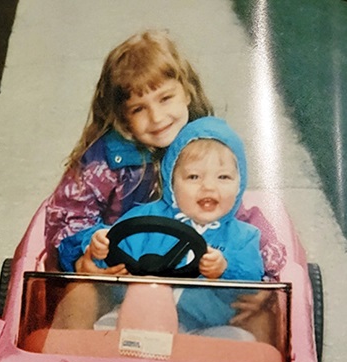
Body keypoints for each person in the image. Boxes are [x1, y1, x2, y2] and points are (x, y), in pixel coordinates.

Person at [45, 29, 286, 282]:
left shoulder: (203, 145)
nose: (157, 118)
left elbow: (232, 214)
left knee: (253, 299)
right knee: (81, 295)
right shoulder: (103, 164)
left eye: (166, 98)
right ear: (123, 117)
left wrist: (263, 282)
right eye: (139, 109)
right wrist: (83, 257)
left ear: (187, 92)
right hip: (119, 271)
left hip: (191, 274)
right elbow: (67, 219)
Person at [65, 117, 265, 334]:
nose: (208, 187)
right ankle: (67, 357)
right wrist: (98, 248)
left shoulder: (243, 236)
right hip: (133, 318)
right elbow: (111, 255)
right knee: (88, 306)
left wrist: (225, 268)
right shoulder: (145, 218)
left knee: (238, 338)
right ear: (171, 181)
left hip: (203, 329)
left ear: (239, 185)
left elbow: (251, 283)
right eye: (193, 177)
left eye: (223, 177)